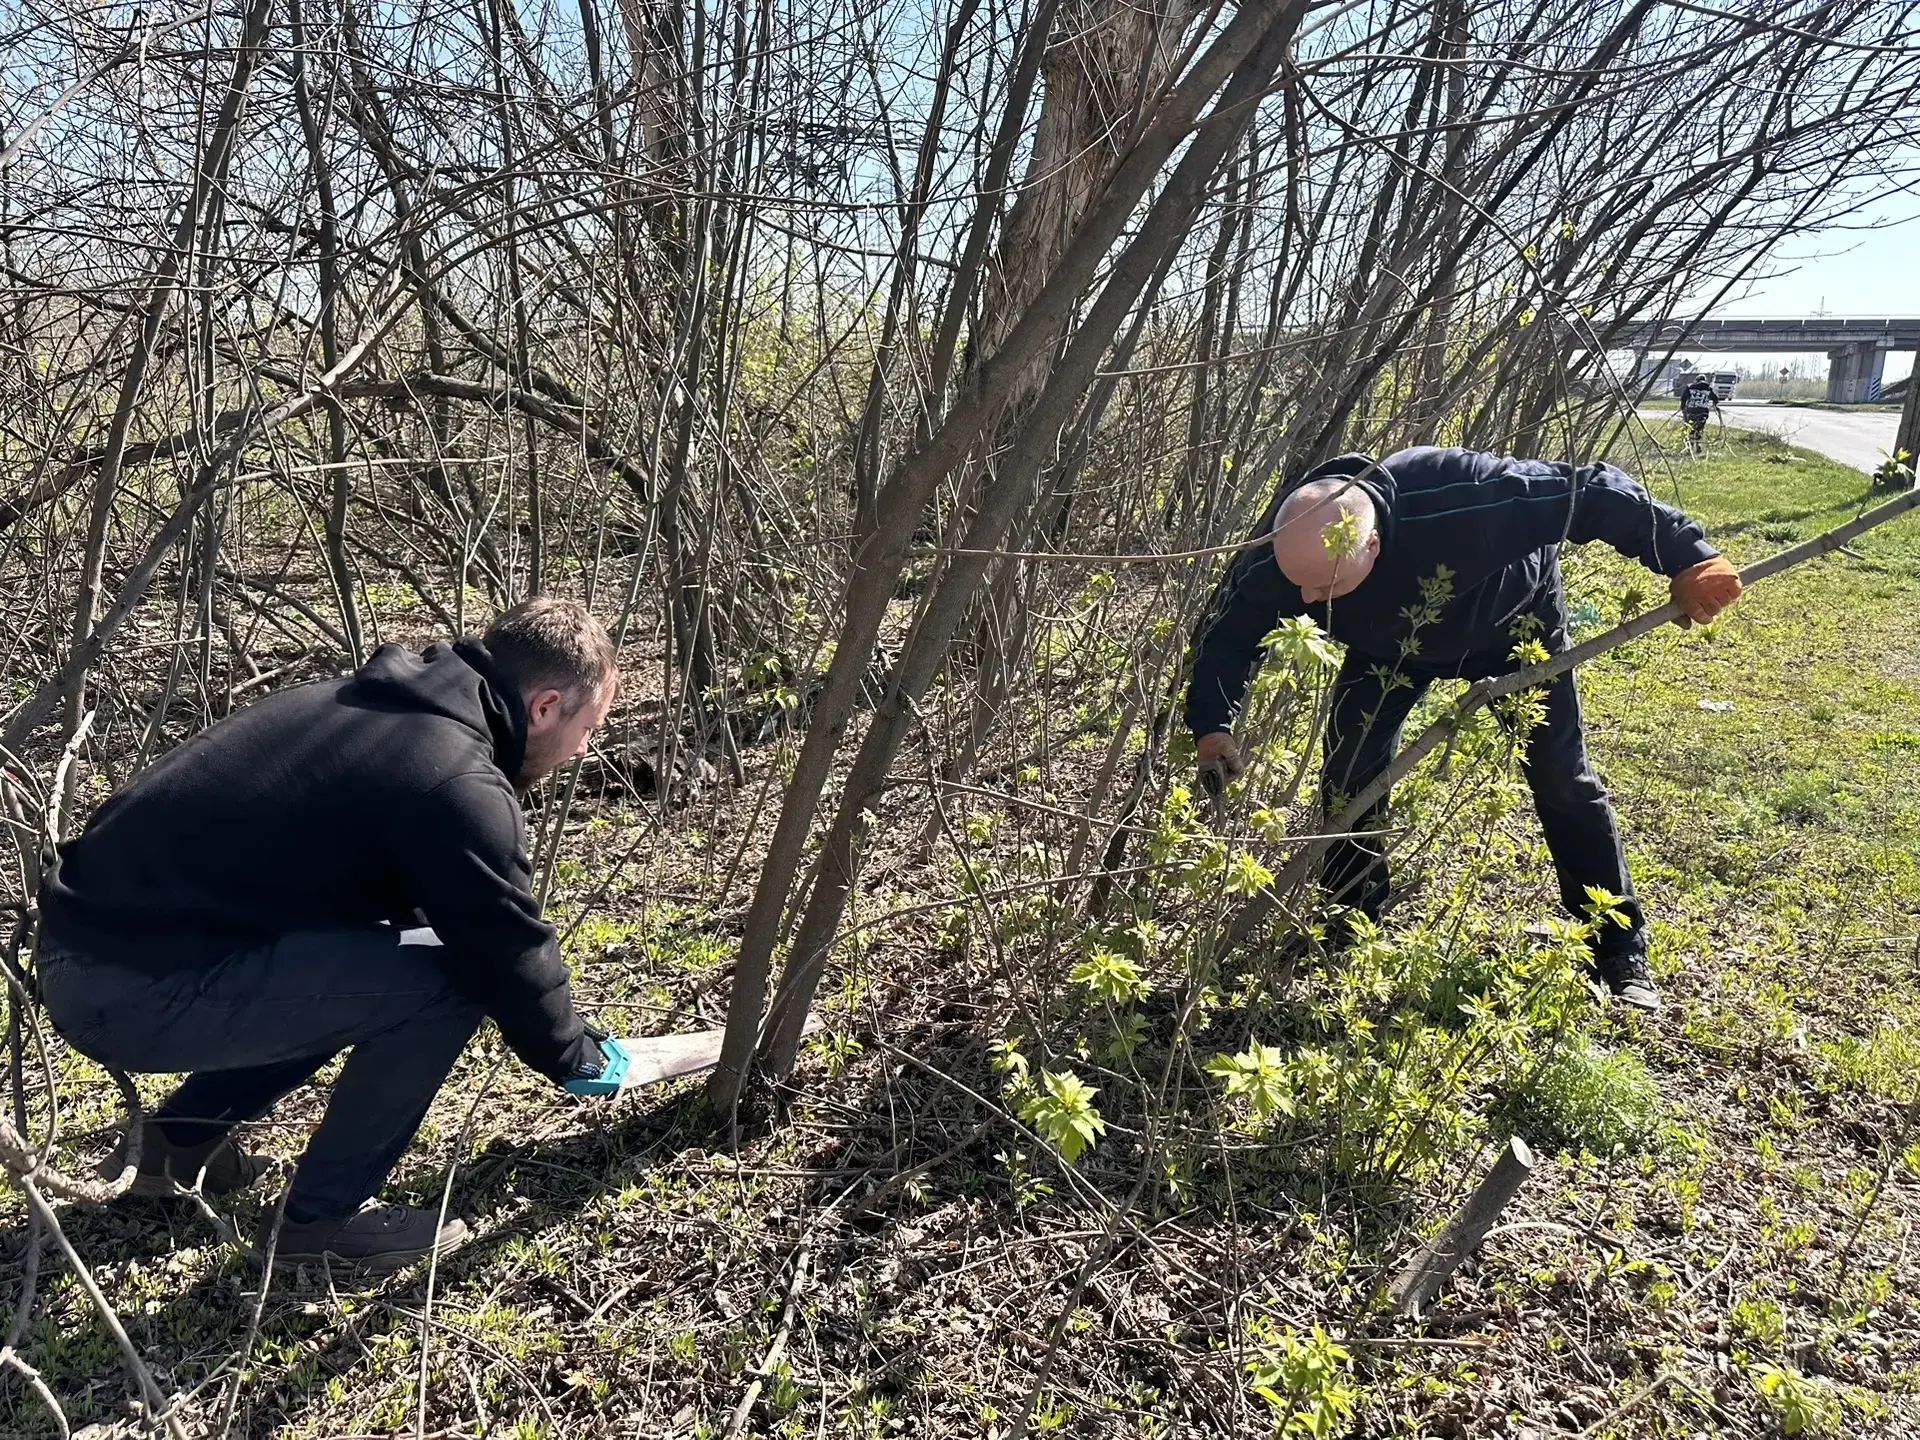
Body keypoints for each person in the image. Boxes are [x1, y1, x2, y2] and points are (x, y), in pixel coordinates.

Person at [36, 596, 622, 1272]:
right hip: (126, 986)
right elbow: (502, 950)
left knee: (367, 966)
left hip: (96, 945)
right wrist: (574, 1055)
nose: (585, 749)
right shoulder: (454, 778)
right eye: (590, 727)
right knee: (452, 983)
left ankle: (173, 1151)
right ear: (545, 707)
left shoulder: (373, 712)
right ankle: (319, 1228)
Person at [1186, 448, 1743, 1013]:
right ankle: (1350, 923)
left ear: (1371, 545)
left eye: (1324, 588)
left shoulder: (1463, 498)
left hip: (1514, 629)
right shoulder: (1287, 553)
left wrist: (1688, 556)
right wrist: (1213, 725)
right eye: (1297, 585)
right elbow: (1227, 639)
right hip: (1390, 651)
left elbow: (1593, 491)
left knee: (1562, 780)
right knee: (1348, 776)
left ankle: (1616, 948)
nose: (1307, 601)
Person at [1679, 373, 1717, 455]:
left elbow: (1683, 399)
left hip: (1691, 411)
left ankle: (1690, 446)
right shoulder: (1708, 388)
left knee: (1691, 428)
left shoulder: (1689, 387)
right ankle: (1697, 444)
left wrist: (1683, 409)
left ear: (1696, 380)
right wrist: (1715, 405)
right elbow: (1715, 399)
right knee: (1699, 429)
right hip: (1703, 412)